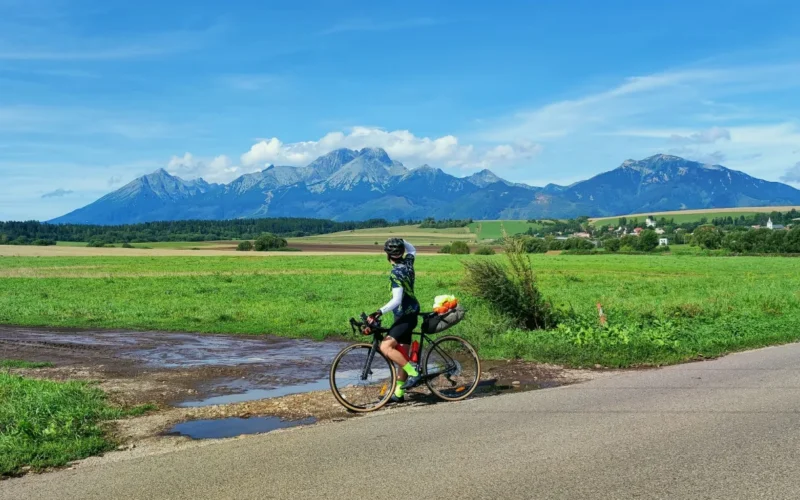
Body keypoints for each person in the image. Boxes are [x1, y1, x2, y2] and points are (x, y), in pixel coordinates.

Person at [368, 237, 421, 403]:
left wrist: (378, 312)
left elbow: (397, 300)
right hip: (411, 314)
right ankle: (399, 393)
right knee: (402, 355)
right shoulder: (408, 263)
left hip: (404, 316)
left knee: (385, 346)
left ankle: (414, 373)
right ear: (401, 252)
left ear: (388, 255)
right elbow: (412, 249)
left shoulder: (396, 273)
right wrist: (401, 241)